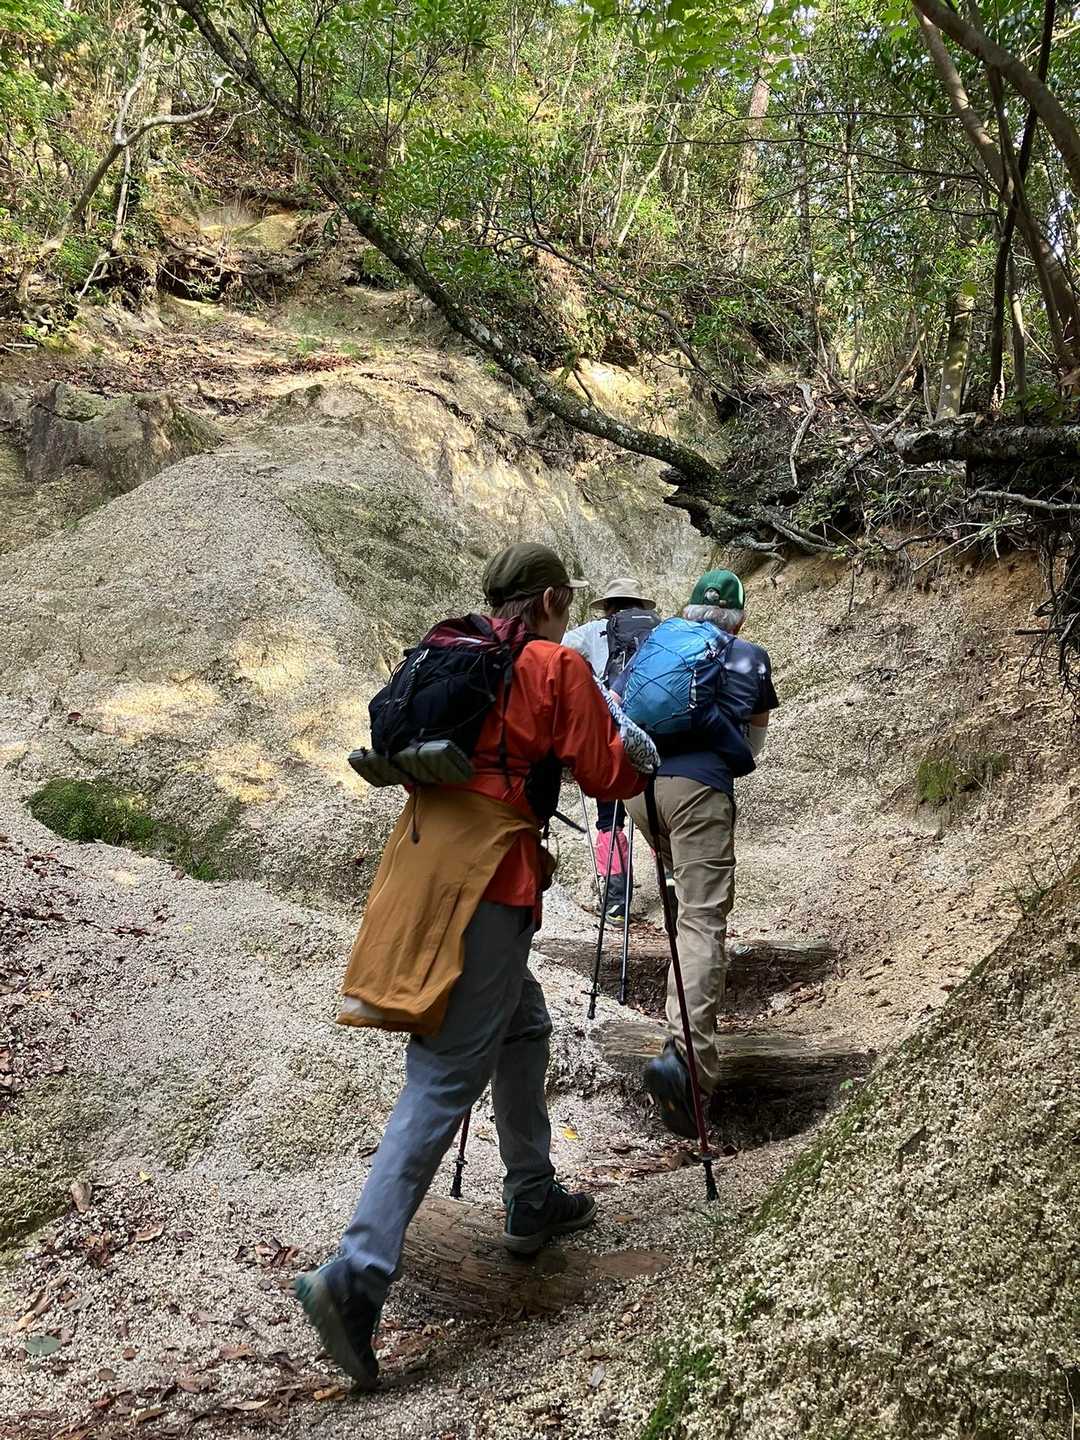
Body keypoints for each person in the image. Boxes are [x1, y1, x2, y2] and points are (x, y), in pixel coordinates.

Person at [293, 543, 651, 1390]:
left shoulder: (450, 653)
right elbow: (605, 774)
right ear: (552, 598)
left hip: (424, 860)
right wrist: (639, 749)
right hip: (490, 875)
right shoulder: (553, 666)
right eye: (566, 602)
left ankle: (531, 1192)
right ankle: (356, 1275)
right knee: (445, 1073)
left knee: (522, 1025)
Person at [620, 569, 778, 1139]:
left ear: (689, 614)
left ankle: (680, 1032)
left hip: (639, 789)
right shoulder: (748, 656)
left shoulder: (660, 643)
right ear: (739, 618)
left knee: (684, 902)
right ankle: (687, 1063)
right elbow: (752, 747)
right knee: (702, 919)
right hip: (698, 791)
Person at [563, 577, 661, 921]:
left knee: (610, 818)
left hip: (613, 731)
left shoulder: (594, 631)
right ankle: (672, 889)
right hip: (655, 729)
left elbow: (558, 649)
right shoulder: (660, 630)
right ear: (640, 606)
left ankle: (617, 899)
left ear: (607, 606)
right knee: (654, 812)